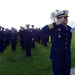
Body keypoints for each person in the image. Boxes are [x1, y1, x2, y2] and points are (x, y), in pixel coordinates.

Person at [42, 10, 72, 75]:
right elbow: (43, 30)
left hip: (67, 56)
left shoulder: (69, 28)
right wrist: (55, 23)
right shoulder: (55, 27)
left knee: (66, 73)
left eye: (67, 17)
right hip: (57, 57)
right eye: (65, 17)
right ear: (59, 19)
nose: (67, 19)